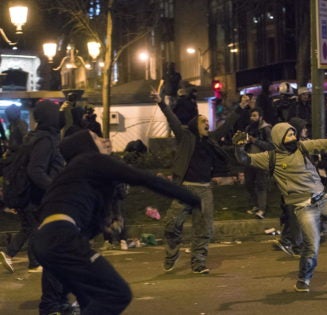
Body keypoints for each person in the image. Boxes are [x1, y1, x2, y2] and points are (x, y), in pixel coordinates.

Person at [31, 129, 200, 315]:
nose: (104, 140)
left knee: (89, 299)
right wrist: (191, 198)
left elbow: (75, 214)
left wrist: (103, 226)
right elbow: (144, 178)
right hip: (61, 237)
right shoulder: (91, 160)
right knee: (117, 294)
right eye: (95, 138)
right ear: (85, 145)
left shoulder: (70, 176)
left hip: (43, 242)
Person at [233, 122, 327, 293]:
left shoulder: (302, 147)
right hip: (304, 207)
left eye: (294, 134)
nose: (294, 138)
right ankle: (303, 278)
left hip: (324, 199)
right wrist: (239, 147)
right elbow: (246, 159)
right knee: (312, 245)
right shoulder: (271, 158)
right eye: (289, 135)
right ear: (278, 138)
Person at [153, 90, 246, 274]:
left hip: (204, 191)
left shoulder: (211, 140)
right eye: (203, 121)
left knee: (203, 229)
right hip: (185, 189)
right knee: (171, 224)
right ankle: (172, 255)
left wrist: (240, 108)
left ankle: (198, 263)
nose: (207, 123)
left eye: (207, 121)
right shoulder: (185, 136)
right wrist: (161, 103)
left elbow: (226, 126)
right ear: (195, 124)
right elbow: (173, 120)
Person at [1, 100, 65, 274]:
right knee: (36, 227)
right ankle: (34, 263)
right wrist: (54, 187)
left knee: (30, 226)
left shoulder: (36, 136)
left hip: (27, 193)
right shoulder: (44, 140)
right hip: (33, 195)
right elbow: (35, 170)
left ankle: (12, 254)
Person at [243, 107, 274, 219]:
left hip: (262, 160)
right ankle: (255, 205)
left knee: (261, 184)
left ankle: (262, 208)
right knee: (249, 183)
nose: (252, 118)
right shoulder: (248, 128)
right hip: (249, 159)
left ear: (260, 117)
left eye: (255, 116)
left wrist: (255, 141)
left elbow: (271, 146)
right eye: (251, 116)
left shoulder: (266, 129)